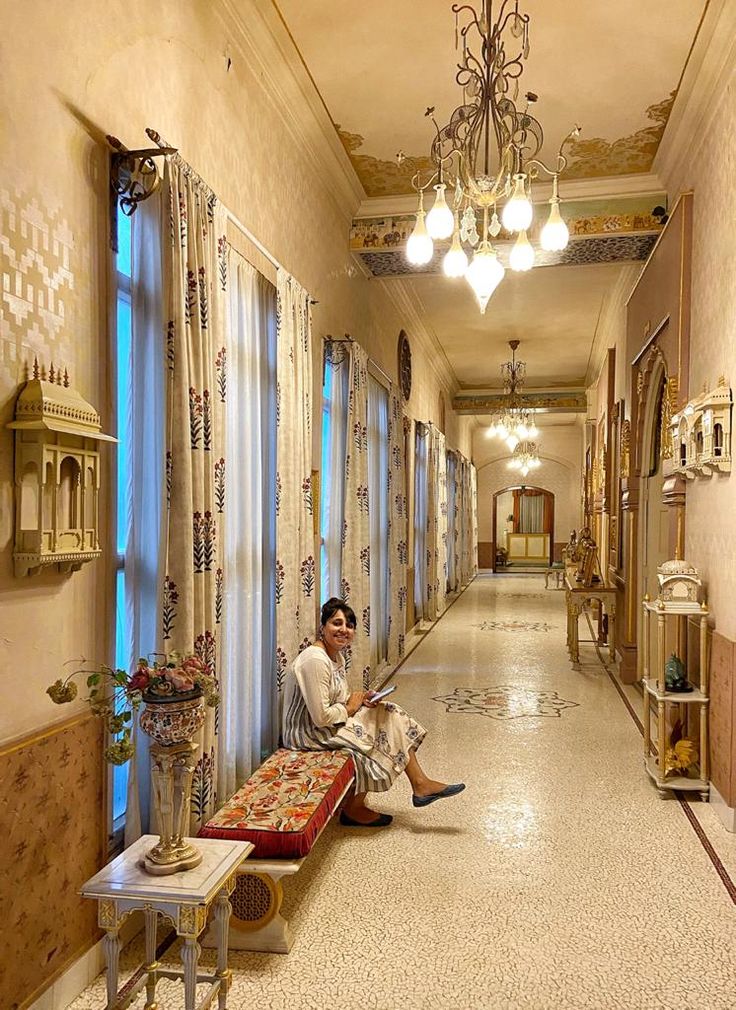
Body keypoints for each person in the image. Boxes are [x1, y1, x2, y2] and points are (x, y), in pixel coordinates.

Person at [282, 597, 465, 827]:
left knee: (389, 712)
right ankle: (354, 809)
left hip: (327, 724)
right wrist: (351, 707)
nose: (344, 630)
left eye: (349, 626)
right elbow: (320, 717)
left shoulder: (335, 655)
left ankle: (420, 784)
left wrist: (360, 701)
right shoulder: (315, 660)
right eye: (336, 623)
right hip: (307, 733)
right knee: (374, 739)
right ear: (322, 627)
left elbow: (337, 699)